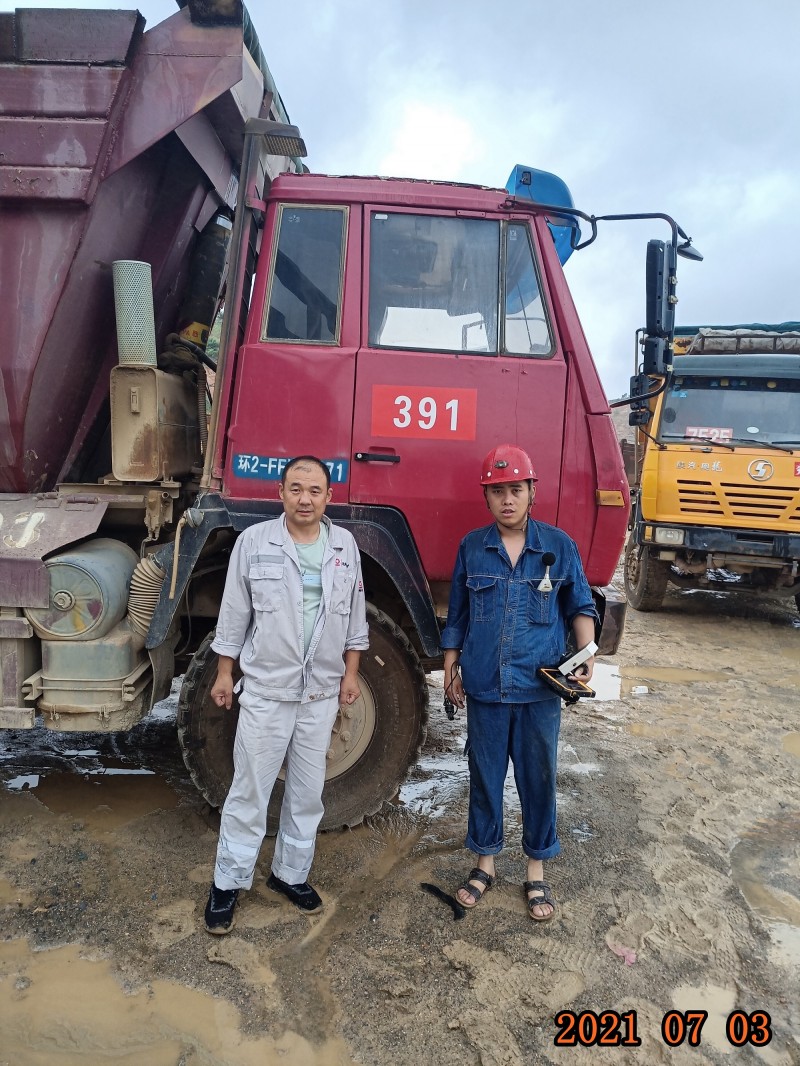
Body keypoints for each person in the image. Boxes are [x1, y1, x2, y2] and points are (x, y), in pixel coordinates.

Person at [204, 455, 369, 934]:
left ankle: (290, 874)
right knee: (250, 789)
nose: (305, 499)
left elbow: (355, 615)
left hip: (320, 694)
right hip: (266, 691)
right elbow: (234, 612)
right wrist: (223, 672)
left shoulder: (344, 546)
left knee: (306, 792)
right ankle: (228, 881)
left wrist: (351, 675)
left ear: (329, 497)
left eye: (314, 490)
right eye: (296, 489)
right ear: (280, 493)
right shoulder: (255, 542)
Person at [440, 444, 598, 921]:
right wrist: (450, 666)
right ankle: (484, 864)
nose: (506, 500)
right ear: (486, 497)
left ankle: (535, 872)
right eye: (497, 492)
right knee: (485, 779)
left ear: (532, 491)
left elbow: (580, 605)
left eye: (515, 489)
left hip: (538, 689)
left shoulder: (558, 546)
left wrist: (586, 654)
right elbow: (458, 616)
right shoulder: (472, 547)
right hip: (486, 686)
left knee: (538, 779)